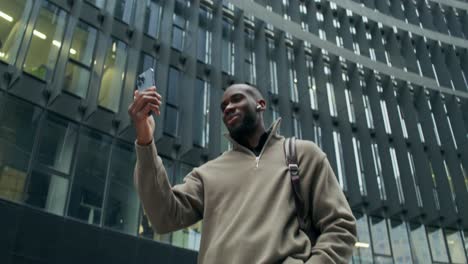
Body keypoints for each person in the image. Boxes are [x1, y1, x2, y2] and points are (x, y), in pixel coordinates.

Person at [128, 83, 357, 264]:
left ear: (260, 104)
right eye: (223, 106)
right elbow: (164, 216)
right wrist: (145, 139)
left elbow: (340, 226)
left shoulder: (302, 154)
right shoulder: (208, 173)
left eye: (236, 99)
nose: (228, 107)